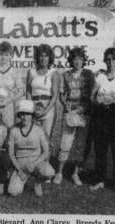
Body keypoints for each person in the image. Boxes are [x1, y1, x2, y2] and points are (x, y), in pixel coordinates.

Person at [54, 48, 94, 185]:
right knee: (65, 142)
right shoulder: (65, 74)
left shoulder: (89, 74)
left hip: (84, 112)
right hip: (70, 111)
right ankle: (59, 172)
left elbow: (92, 95)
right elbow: (61, 94)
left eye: (80, 59)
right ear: (71, 60)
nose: (77, 62)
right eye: (75, 59)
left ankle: (75, 174)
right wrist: (65, 104)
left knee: (80, 145)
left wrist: (85, 106)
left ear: (84, 60)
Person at [8, 100, 55, 196]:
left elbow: (46, 152)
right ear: (19, 115)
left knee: (49, 172)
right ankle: (22, 178)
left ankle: (37, 183)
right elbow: (11, 153)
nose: (25, 118)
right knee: (13, 192)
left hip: (36, 162)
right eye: (22, 114)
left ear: (32, 115)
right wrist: (19, 169)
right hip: (20, 164)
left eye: (28, 114)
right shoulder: (13, 129)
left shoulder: (39, 129)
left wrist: (33, 164)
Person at [26, 44, 60, 152]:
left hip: (48, 110)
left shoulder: (53, 73)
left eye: (46, 56)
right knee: (34, 138)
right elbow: (28, 92)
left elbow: (55, 95)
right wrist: (31, 109)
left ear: (50, 57)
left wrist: (45, 111)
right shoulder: (31, 72)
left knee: (46, 139)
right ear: (37, 57)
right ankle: (35, 166)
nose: (43, 58)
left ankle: (46, 166)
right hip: (34, 109)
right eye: (41, 56)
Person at [89, 48, 115, 190]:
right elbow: (91, 97)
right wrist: (98, 102)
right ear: (105, 61)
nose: (111, 62)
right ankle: (100, 179)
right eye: (108, 59)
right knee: (100, 148)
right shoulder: (100, 77)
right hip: (101, 115)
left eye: (113, 59)